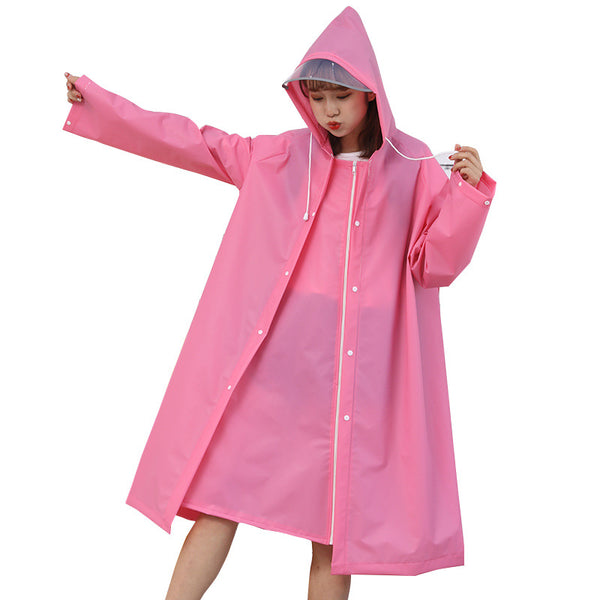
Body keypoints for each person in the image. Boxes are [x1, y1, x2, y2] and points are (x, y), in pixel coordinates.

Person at [63, 6, 495, 600]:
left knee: (334, 533)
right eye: (317, 98)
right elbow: (190, 141)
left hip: (354, 384)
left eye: (340, 96)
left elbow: (435, 265)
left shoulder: (414, 164)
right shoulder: (282, 157)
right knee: (220, 500)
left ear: (370, 94)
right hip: (276, 373)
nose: (329, 111)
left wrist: (468, 194)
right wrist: (100, 104)